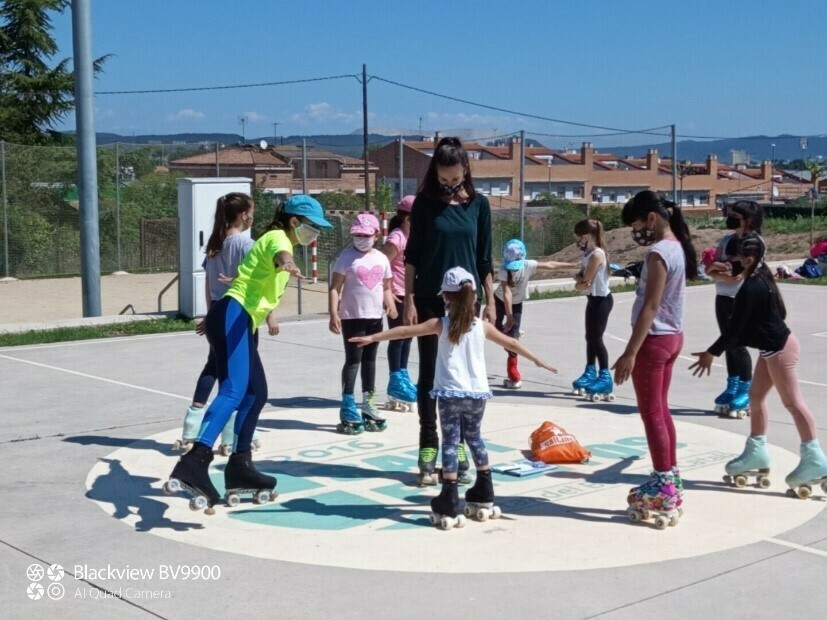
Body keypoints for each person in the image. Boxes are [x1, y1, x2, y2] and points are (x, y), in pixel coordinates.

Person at [350, 267, 558, 529]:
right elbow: (512, 343)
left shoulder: (441, 324)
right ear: (472, 298)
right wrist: (539, 361)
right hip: (477, 394)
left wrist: (372, 337)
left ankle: (449, 495)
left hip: (450, 393)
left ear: (446, 297)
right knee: (474, 437)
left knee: (450, 441)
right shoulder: (481, 327)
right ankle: (484, 488)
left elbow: (405, 332)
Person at [166, 194, 332, 513]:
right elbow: (279, 254)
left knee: (257, 393)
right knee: (234, 389)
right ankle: (194, 461)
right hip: (235, 315)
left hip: (240, 318)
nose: (316, 234)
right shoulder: (277, 237)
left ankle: (240, 464)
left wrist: (264, 311)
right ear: (295, 222)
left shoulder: (279, 239)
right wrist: (287, 261)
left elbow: (253, 278)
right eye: (313, 227)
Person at [690, 232, 827, 497]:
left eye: (736, 259)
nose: (731, 263)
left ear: (749, 259)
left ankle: (815, 459)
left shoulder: (750, 288)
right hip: (771, 350)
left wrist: (711, 353)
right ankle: (756, 453)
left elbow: (734, 331)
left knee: (793, 403)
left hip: (780, 350)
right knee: (755, 398)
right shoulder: (759, 277)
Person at [404, 137, 495, 486]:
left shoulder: (479, 205)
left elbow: (484, 258)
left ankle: (455, 445)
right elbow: (412, 257)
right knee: (431, 373)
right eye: (442, 179)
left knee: (463, 375)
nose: (448, 185)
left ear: (465, 170)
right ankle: (429, 443)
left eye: (453, 179)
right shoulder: (424, 205)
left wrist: (491, 301)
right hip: (430, 297)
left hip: (468, 304)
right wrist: (409, 299)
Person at [612, 190, 698, 527]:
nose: (637, 232)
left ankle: (664, 486)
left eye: (637, 224)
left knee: (652, 414)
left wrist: (629, 352)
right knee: (661, 410)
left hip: (654, 340)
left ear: (651, 218)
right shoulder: (677, 246)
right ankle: (669, 474)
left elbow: (651, 306)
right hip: (672, 337)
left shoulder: (659, 253)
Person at [176, 193, 265, 456]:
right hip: (238, 310)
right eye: (252, 211)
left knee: (215, 366)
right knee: (241, 377)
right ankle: (233, 435)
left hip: (217, 309)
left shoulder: (216, 243)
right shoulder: (246, 244)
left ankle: (192, 429)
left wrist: (209, 313)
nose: (253, 216)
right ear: (243, 215)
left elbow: (207, 282)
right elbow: (257, 280)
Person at [329, 213, 397, 434]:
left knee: (370, 360)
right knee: (353, 360)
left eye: (366, 235)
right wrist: (333, 313)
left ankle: (368, 402)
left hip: (375, 317)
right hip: (352, 316)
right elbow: (335, 288)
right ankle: (348, 404)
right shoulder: (346, 257)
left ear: (376, 235)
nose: (361, 238)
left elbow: (386, 287)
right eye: (357, 234)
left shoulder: (382, 259)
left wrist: (391, 306)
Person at [705, 201, 763, 418]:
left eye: (735, 215)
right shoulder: (727, 240)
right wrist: (719, 272)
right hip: (723, 296)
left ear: (748, 219)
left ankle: (746, 389)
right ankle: (732, 384)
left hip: (742, 298)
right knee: (728, 343)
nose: (731, 218)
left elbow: (737, 275)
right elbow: (710, 268)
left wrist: (721, 272)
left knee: (737, 344)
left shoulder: (754, 243)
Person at [494, 238, 576, 389]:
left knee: (512, 339)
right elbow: (506, 293)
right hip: (499, 301)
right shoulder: (504, 270)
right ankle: (513, 336)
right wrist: (509, 316)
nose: (514, 269)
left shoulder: (528, 265)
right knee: (496, 333)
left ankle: (513, 371)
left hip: (517, 303)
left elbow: (551, 265)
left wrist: (573, 265)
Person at [569, 219, 615, 401]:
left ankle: (604, 376)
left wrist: (579, 282)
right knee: (589, 337)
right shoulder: (588, 254)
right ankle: (590, 371)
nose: (578, 241)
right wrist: (579, 281)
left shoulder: (597, 254)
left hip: (602, 300)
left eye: (579, 238)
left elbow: (584, 280)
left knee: (596, 338)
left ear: (586, 236)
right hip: (592, 299)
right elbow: (581, 279)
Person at [380, 195, 417, 411]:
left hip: (410, 294)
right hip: (397, 295)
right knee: (398, 337)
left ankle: (402, 375)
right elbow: (382, 264)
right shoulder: (396, 237)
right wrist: (388, 292)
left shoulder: (413, 235)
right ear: (407, 217)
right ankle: (395, 379)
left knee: (408, 337)